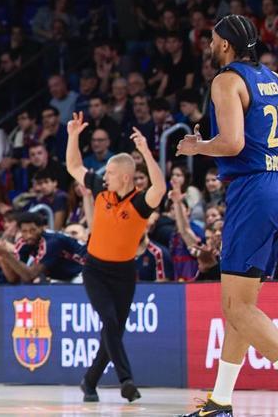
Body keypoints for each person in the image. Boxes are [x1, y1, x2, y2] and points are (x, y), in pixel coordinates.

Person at [176, 14, 278, 417]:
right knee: (239, 304)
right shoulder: (273, 78)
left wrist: (197, 147)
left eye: (212, 40)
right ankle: (220, 401)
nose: (210, 46)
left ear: (226, 46)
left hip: (255, 192)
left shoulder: (227, 80)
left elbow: (230, 143)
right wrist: (273, 151)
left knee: (238, 307)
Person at [64, 111, 168, 403]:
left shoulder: (139, 202)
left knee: (113, 332)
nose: (104, 176)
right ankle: (127, 381)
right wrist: (73, 135)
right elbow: (73, 165)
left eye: (109, 173)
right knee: (109, 321)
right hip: (95, 269)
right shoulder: (100, 189)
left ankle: (89, 381)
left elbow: (159, 188)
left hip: (124, 274)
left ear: (123, 176)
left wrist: (146, 152)